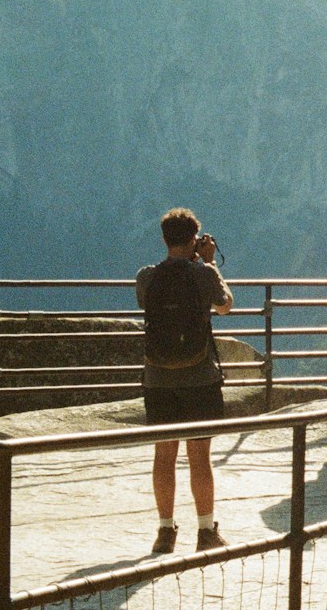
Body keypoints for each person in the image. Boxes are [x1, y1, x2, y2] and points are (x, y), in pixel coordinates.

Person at [138, 207, 234, 554]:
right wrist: (208, 263)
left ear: (165, 239)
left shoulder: (146, 277)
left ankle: (165, 532)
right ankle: (206, 532)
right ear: (194, 238)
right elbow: (225, 306)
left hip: (158, 378)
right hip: (199, 377)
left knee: (163, 455)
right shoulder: (202, 273)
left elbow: (144, 305)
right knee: (199, 457)